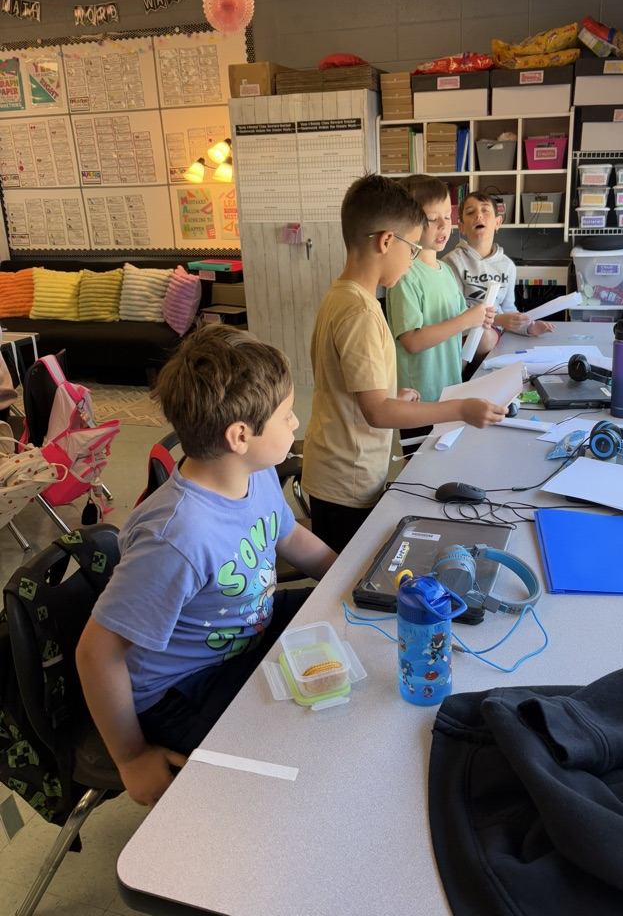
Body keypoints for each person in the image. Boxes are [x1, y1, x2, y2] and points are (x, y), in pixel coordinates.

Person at [76, 324, 337, 807]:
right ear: (241, 435)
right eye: (285, 415)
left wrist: (349, 579)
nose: (296, 422)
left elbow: (291, 537)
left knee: (346, 616)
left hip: (245, 633)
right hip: (182, 689)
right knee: (301, 754)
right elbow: (96, 654)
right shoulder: (177, 537)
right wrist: (131, 758)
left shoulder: (254, 475)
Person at [301, 172, 509, 555]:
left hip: (344, 468)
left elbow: (349, 384)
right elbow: (377, 413)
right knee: (345, 582)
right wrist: (460, 409)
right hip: (346, 479)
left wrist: (392, 392)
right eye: (412, 248)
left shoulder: (347, 296)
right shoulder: (360, 312)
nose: (414, 258)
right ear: (385, 241)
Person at [385, 174, 495, 403]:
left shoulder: (445, 271)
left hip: (448, 390)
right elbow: (412, 342)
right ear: (408, 222)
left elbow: (457, 324)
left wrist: (478, 319)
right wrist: (465, 321)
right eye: (433, 219)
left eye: (448, 216)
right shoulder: (405, 276)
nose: (445, 225)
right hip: (418, 398)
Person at [444, 191, 556, 338]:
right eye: (471, 212)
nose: (478, 215)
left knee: (487, 335)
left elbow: (508, 309)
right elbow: (455, 310)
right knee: (483, 334)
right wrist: (498, 320)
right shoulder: (452, 262)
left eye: (485, 210)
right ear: (462, 227)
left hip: (494, 333)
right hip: (463, 333)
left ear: (498, 223)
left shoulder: (507, 265)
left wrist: (530, 327)